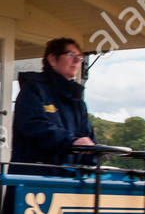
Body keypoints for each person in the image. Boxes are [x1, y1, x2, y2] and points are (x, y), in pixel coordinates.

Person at [11, 37, 96, 172]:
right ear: (52, 59)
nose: (76, 61)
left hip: (70, 182)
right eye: (71, 55)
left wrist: (93, 160)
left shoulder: (78, 101)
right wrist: (71, 141)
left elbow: (88, 138)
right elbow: (33, 125)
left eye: (80, 58)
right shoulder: (34, 89)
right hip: (35, 180)